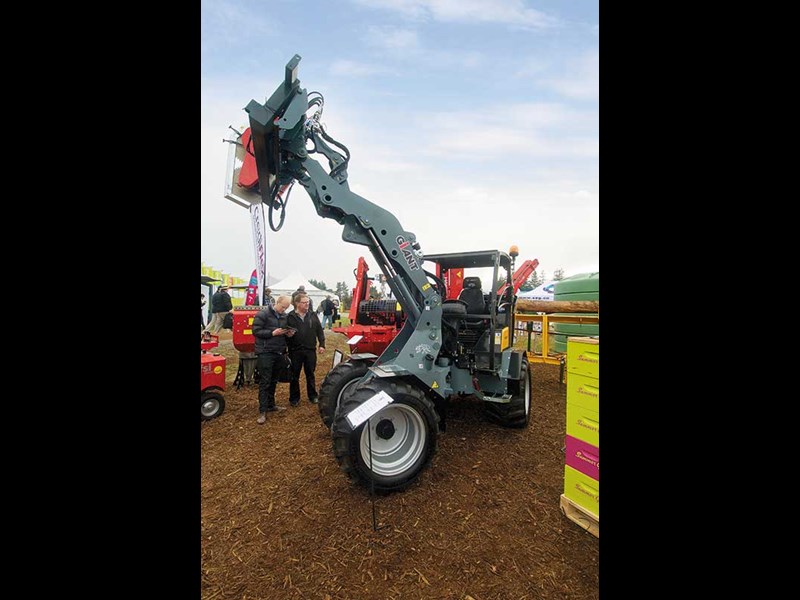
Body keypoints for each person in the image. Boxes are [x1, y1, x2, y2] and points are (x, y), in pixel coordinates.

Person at [252, 295, 295, 423]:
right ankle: (262, 410)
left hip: (278, 351)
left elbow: (284, 332)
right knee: (265, 381)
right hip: (265, 352)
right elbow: (256, 331)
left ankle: (271, 405)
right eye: (283, 307)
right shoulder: (263, 314)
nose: (284, 310)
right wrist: (272, 333)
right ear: (277, 302)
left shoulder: (284, 317)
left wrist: (288, 334)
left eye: (286, 308)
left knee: (274, 380)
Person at [286, 293, 325, 406]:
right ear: (297, 303)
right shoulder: (290, 317)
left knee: (310, 374)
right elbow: (284, 333)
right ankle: (294, 398)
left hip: (310, 350)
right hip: (295, 351)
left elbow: (319, 331)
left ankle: (312, 396)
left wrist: (322, 344)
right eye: (304, 302)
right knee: (294, 375)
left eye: (308, 302)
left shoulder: (312, 315)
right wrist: (288, 337)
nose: (307, 304)